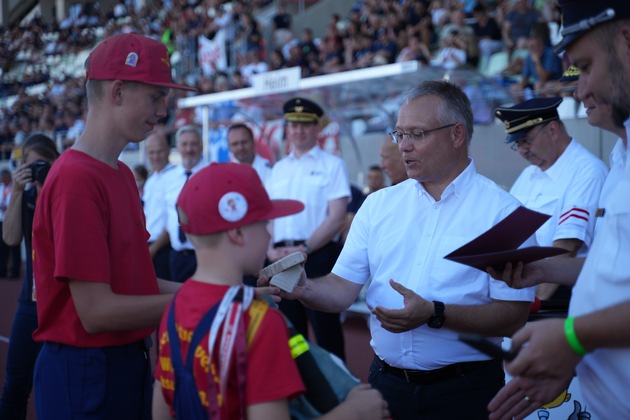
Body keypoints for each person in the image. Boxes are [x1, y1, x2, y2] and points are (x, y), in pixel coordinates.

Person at [260, 80, 537, 418]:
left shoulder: (503, 212)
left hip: (466, 391)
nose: (403, 146)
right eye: (399, 134)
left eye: (417, 134)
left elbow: (513, 315)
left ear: (457, 135)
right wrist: (305, 288)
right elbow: (340, 289)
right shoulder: (378, 206)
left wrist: (436, 313)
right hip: (385, 386)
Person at [30, 32, 194, 419]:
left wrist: (220, 290)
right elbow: (97, 311)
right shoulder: (76, 179)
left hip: (118, 363)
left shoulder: (119, 174)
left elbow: (134, 281)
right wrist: (202, 301)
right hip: (87, 370)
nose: (163, 109)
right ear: (117, 92)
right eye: (156, 96)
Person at [152, 162, 390, 420]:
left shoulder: (174, 308)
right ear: (238, 233)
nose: (268, 236)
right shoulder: (260, 322)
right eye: (265, 224)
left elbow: (161, 411)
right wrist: (355, 412)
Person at [487, 2, 630, 418]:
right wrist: (536, 270)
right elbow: (610, 266)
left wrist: (571, 335)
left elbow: (571, 248)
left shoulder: (589, 167)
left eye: (584, 68)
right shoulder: (621, 157)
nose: (580, 92)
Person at [495, 97, 608, 301]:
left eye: (526, 141)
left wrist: (537, 303)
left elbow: (566, 247)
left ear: (553, 130)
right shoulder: (529, 175)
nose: (522, 150)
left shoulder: (587, 171)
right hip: (520, 292)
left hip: (557, 296)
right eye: (517, 144)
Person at [265, 97, 350, 361]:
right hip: (280, 258)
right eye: (293, 125)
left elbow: (337, 217)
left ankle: (341, 391)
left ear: (317, 128)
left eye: (305, 125)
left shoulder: (332, 164)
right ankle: (301, 392)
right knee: (291, 335)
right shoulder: (277, 169)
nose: (298, 130)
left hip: (317, 255)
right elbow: (269, 217)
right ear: (286, 129)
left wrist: (305, 249)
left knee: (326, 331)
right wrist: (269, 249)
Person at [0, 134, 59, 419]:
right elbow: (10, 238)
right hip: (31, 301)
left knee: (60, 384)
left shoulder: (67, 196)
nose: (38, 171)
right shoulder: (25, 197)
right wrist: (17, 194)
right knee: (15, 385)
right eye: (31, 166)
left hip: (64, 303)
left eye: (44, 165)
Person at [160, 124, 206, 283]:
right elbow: (167, 219)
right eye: (184, 144)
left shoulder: (212, 175)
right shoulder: (168, 178)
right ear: (178, 147)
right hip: (177, 257)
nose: (189, 149)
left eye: (193, 144)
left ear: (201, 146)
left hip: (205, 255)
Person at [143, 131, 175, 280]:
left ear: (168, 149)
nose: (155, 156)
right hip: (149, 247)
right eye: (151, 152)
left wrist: (154, 249)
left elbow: (173, 220)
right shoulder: (151, 180)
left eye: (159, 151)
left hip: (164, 248)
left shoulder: (177, 176)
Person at [0, 168, 20, 278]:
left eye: (3, 177)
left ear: (8, 177)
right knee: (2, 247)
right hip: (1, 221)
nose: (1, 179)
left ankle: (15, 271)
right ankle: (2, 270)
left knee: (14, 247)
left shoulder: (14, 188)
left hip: (12, 220)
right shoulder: (0, 188)